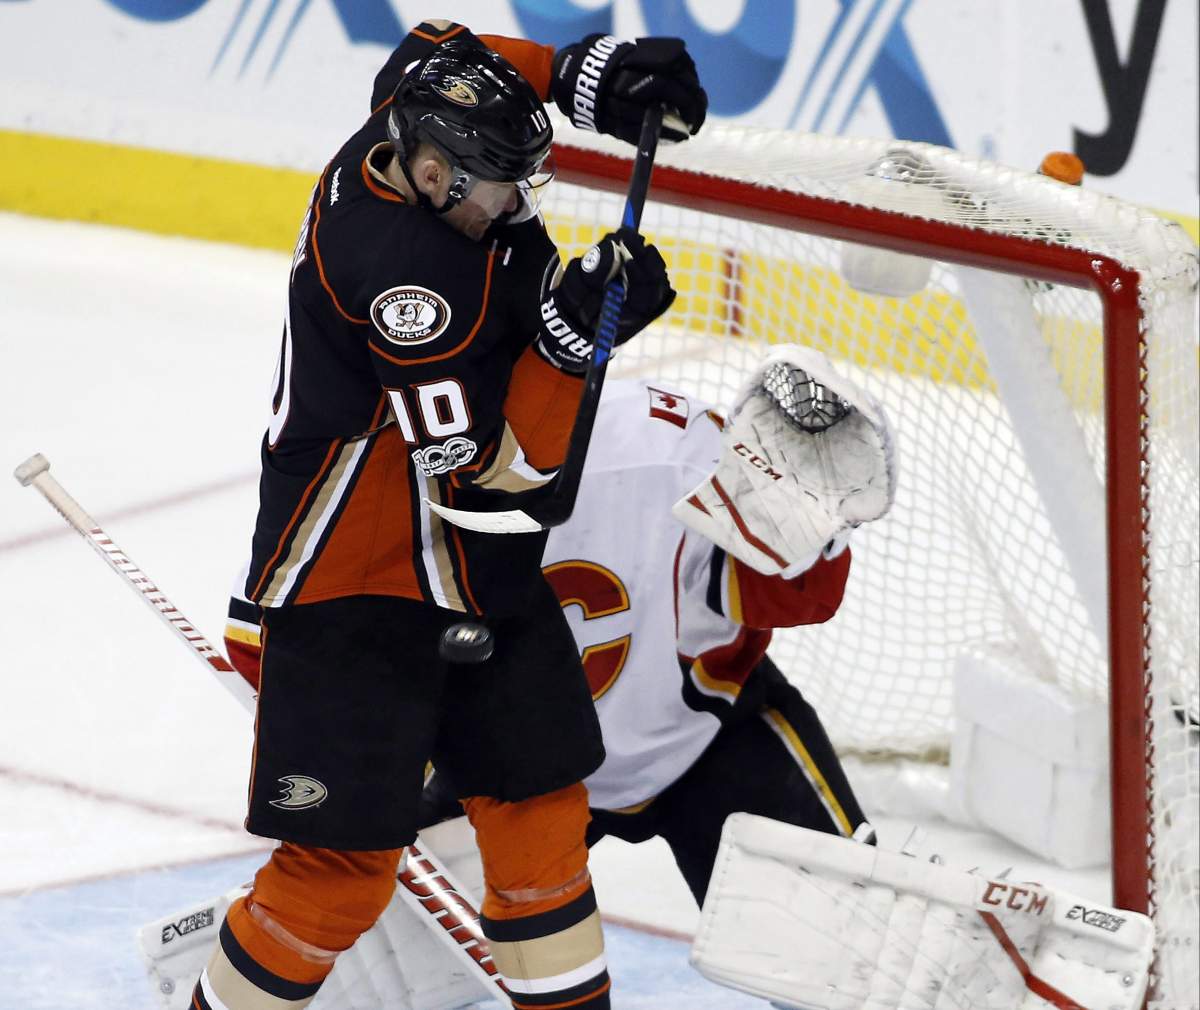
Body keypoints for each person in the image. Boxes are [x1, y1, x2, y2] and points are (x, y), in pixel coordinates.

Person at [194, 18, 706, 1010]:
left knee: (539, 820)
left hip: (474, 573)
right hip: (356, 581)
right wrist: (567, 345)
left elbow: (446, 47)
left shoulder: (412, 113)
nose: (516, 206)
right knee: (341, 873)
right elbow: (487, 476)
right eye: (497, 188)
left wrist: (577, 72)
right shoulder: (406, 285)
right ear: (432, 177)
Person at [203, 356, 888, 1008]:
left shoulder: (676, 455)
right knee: (353, 933)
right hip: (507, 761)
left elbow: (794, 599)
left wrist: (810, 527)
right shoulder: (391, 482)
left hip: (708, 742)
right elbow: (269, 639)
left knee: (847, 969)